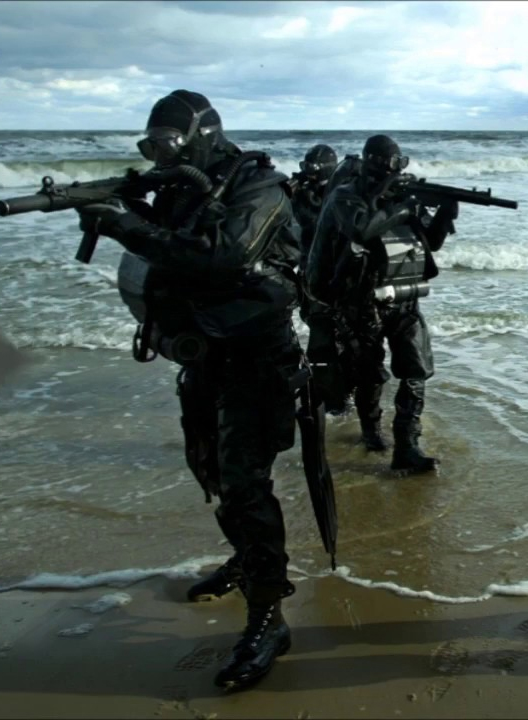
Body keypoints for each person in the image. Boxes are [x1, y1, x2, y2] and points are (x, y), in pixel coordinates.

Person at [75, 89, 328, 692]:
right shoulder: (183, 190)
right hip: (204, 355)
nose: (159, 156)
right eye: (150, 146)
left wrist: (126, 227)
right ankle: (246, 557)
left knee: (245, 484)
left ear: (202, 137)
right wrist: (118, 209)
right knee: (210, 470)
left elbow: (225, 254)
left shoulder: (259, 186)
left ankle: (268, 615)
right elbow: (168, 249)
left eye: (168, 144)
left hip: (255, 360)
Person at [305, 133, 458, 474]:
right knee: (370, 372)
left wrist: (445, 214)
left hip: (402, 295)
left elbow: (430, 242)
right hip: (359, 299)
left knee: (416, 368)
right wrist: (402, 207)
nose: (394, 171)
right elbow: (361, 229)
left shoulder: (401, 196)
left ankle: (408, 445)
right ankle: (372, 432)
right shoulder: (346, 196)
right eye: (389, 164)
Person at [289, 143, 354, 415]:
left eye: (312, 167)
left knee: (331, 343)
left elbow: (319, 222)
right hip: (311, 278)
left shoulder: (341, 195)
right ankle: (334, 398)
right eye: (305, 166)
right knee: (325, 340)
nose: (308, 172)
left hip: (332, 279)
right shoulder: (301, 194)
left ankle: (338, 400)